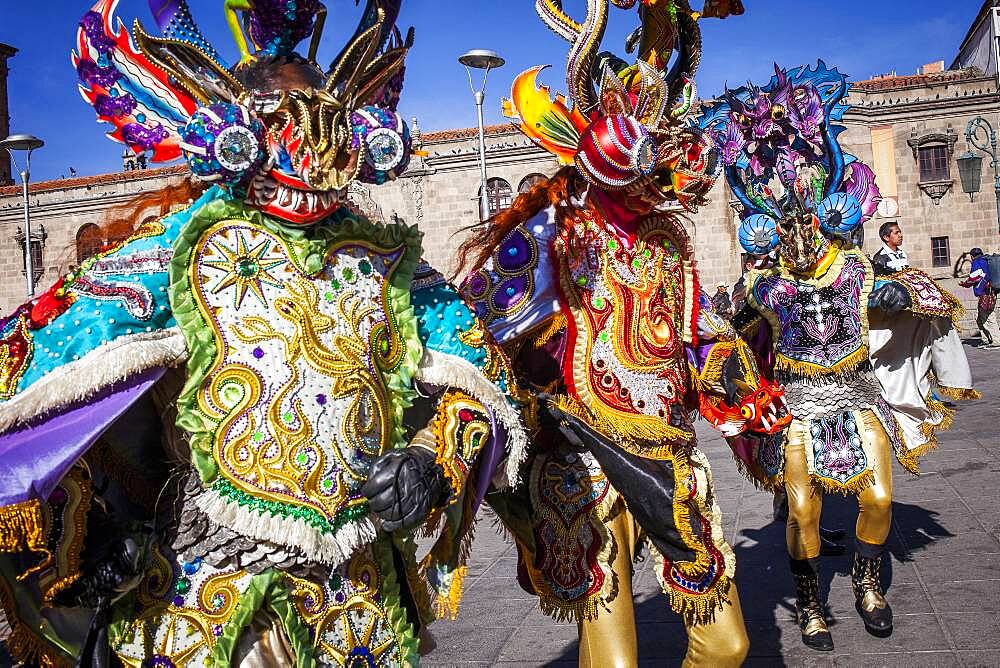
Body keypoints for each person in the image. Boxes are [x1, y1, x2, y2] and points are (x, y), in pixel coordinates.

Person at [0, 2, 526, 665]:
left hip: (357, 602)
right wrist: (95, 527)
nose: (310, 147)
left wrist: (430, 458)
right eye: (280, 122)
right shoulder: (173, 257)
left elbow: (480, 383)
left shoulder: (389, 265)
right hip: (205, 594)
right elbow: (39, 385)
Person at [458, 3, 771, 666]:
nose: (655, 181)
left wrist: (738, 389)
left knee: (728, 645)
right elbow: (475, 333)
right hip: (585, 475)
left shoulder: (663, 242)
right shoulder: (550, 233)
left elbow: (694, 328)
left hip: (670, 470)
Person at [706, 62, 978, 652]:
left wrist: (901, 294)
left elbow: (931, 297)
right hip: (801, 414)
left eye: (808, 222)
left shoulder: (857, 271)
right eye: (784, 226)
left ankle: (868, 586)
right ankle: (809, 606)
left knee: (879, 498)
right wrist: (723, 344)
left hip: (857, 403)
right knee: (802, 514)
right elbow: (728, 326)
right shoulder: (770, 287)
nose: (798, 235)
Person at [960, 247, 999, 348]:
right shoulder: (985, 261)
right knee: (979, 317)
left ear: (972, 256)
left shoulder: (977, 263)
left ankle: (996, 340)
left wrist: (964, 284)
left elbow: (973, 279)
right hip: (990, 292)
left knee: (988, 317)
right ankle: (986, 339)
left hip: (985, 293)